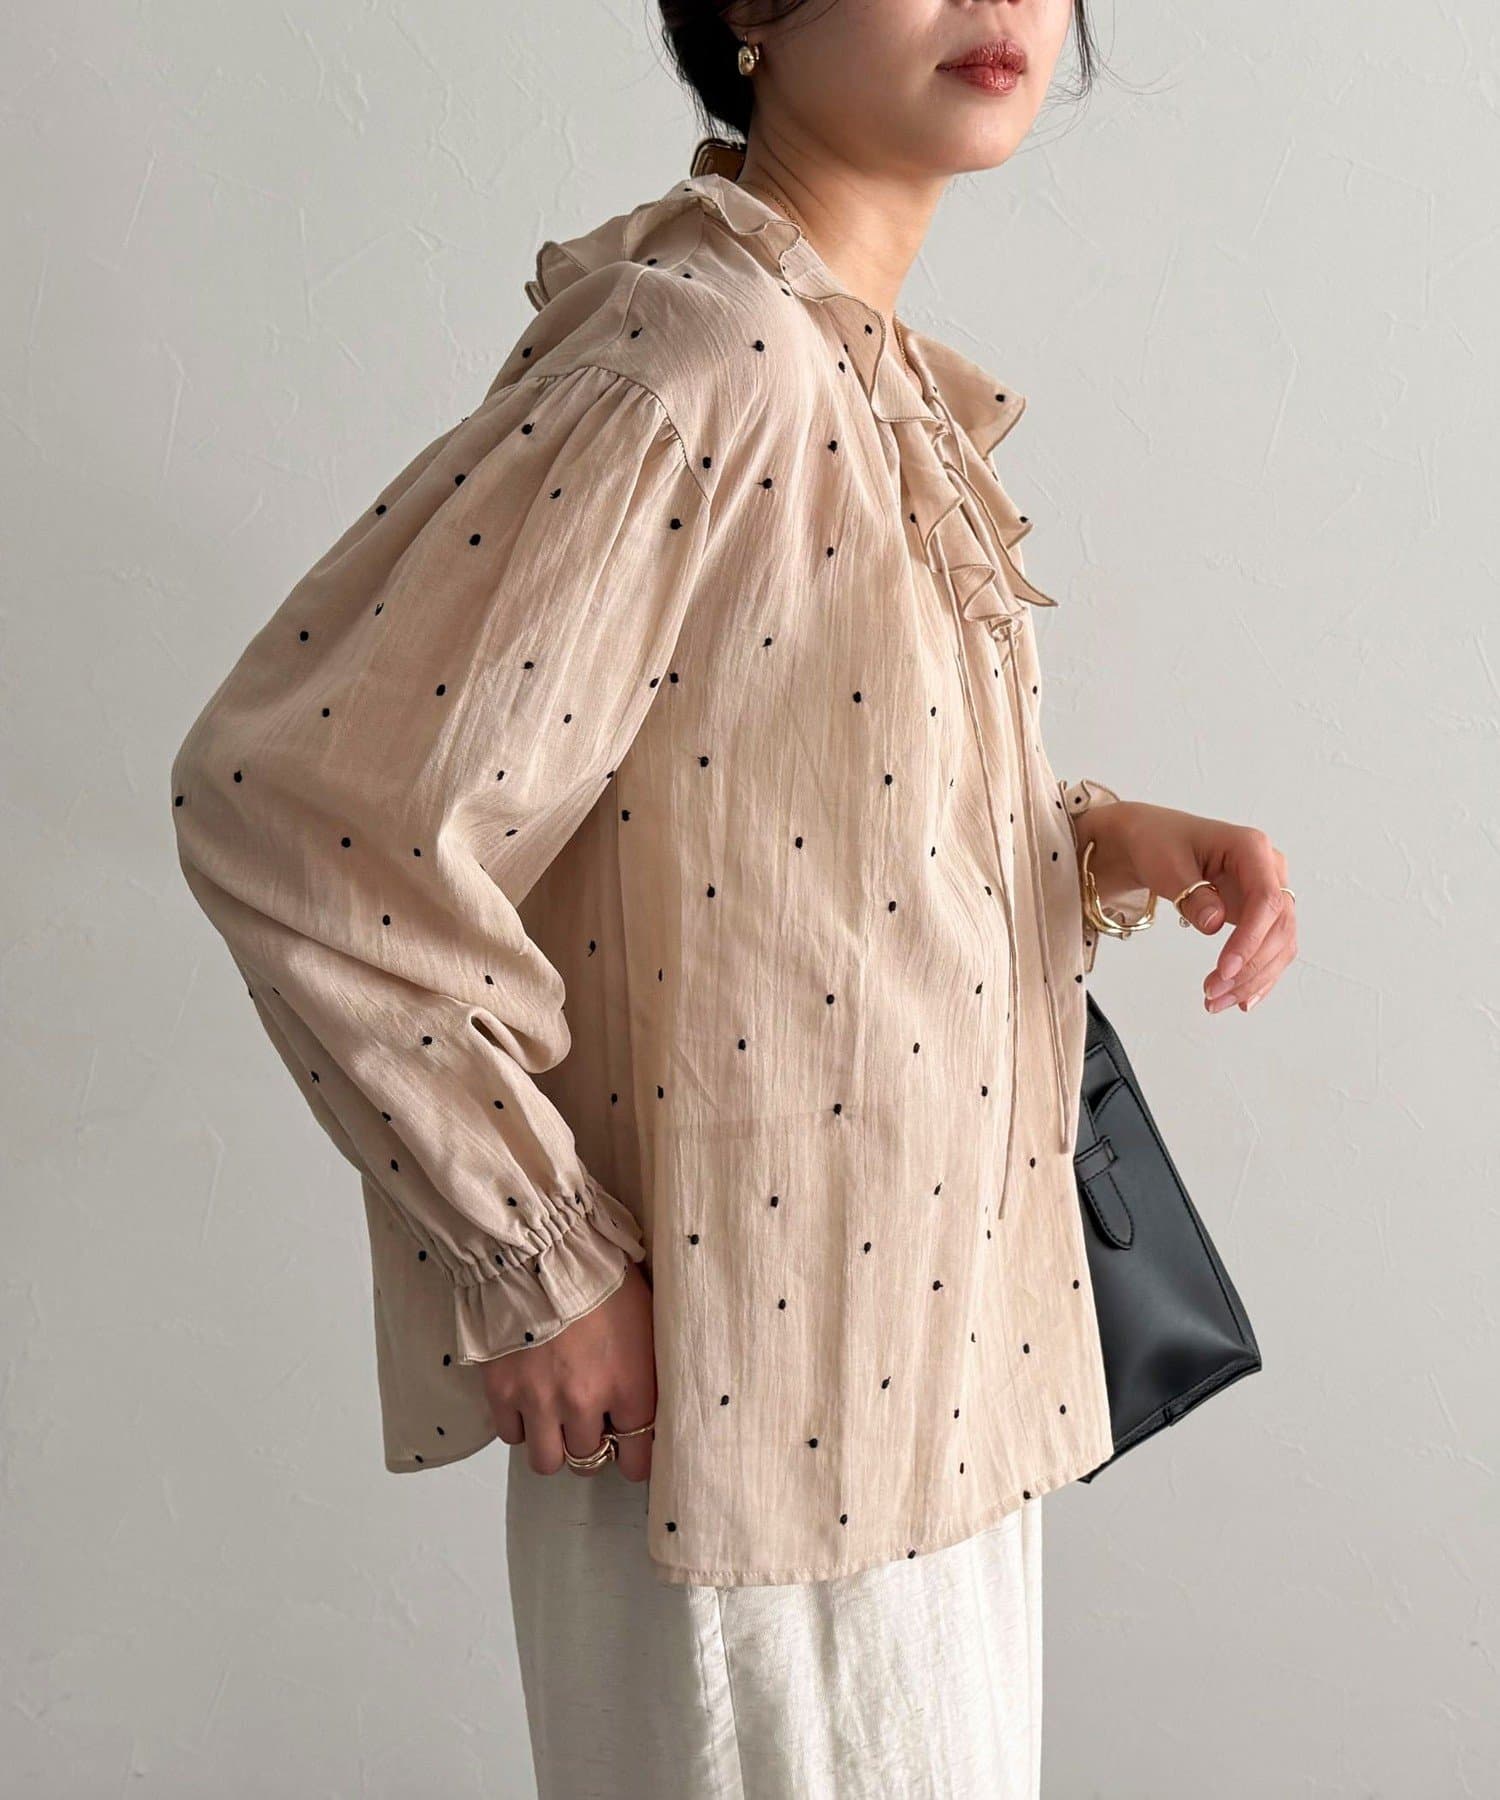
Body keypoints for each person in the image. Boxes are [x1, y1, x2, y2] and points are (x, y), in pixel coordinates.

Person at [169, 2, 1297, 1793]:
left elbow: (773, 827)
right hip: (747, 1427)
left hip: (917, 1383)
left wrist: (1090, 837)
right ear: (755, 7)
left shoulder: (847, 362)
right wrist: (538, 1261)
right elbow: (306, 812)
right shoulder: (704, 362)